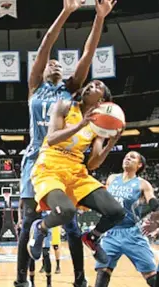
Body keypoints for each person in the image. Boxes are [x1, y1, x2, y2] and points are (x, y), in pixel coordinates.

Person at [12, 0, 117, 287]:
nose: (54, 63)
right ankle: (20, 285)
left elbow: (87, 52)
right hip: (36, 158)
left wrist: (98, 18)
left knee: (71, 226)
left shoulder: (72, 94)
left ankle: (79, 282)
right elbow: (45, 46)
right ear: (42, 71)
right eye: (49, 63)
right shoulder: (34, 88)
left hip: (65, 161)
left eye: (59, 63)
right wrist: (66, 12)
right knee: (27, 220)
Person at [28, 84, 125, 269]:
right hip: (50, 165)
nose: (91, 85)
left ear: (102, 101)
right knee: (67, 211)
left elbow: (93, 164)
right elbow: (52, 138)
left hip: (76, 170)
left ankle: (92, 237)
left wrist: (112, 142)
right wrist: (81, 124)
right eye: (91, 82)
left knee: (116, 212)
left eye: (98, 86)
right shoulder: (64, 105)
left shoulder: (100, 125)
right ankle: (41, 228)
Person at [81, 151, 159, 287]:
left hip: (133, 233)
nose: (127, 158)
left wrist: (149, 209)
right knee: (101, 277)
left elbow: (153, 202)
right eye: (126, 156)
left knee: (152, 279)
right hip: (111, 234)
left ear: (140, 165)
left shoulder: (143, 184)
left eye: (133, 157)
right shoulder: (112, 179)